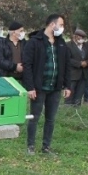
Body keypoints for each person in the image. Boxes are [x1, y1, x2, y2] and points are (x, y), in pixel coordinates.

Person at [22, 14, 71, 155]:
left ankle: (46, 147)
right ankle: (30, 146)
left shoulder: (61, 44)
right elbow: (28, 65)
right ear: (52, 25)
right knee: (34, 117)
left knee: (51, 119)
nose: (62, 28)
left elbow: (67, 65)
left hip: (55, 87)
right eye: (61, 25)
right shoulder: (34, 42)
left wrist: (67, 85)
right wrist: (30, 87)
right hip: (39, 88)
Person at [65, 29, 88, 106]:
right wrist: (79, 63)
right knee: (71, 90)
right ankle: (68, 106)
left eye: (83, 37)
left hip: (83, 73)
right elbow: (67, 59)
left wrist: (87, 62)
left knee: (80, 91)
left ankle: (77, 105)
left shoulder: (86, 45)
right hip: (73, 73)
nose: (81, 39)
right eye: (79, 37)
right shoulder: (68, 45)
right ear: (75, 36)